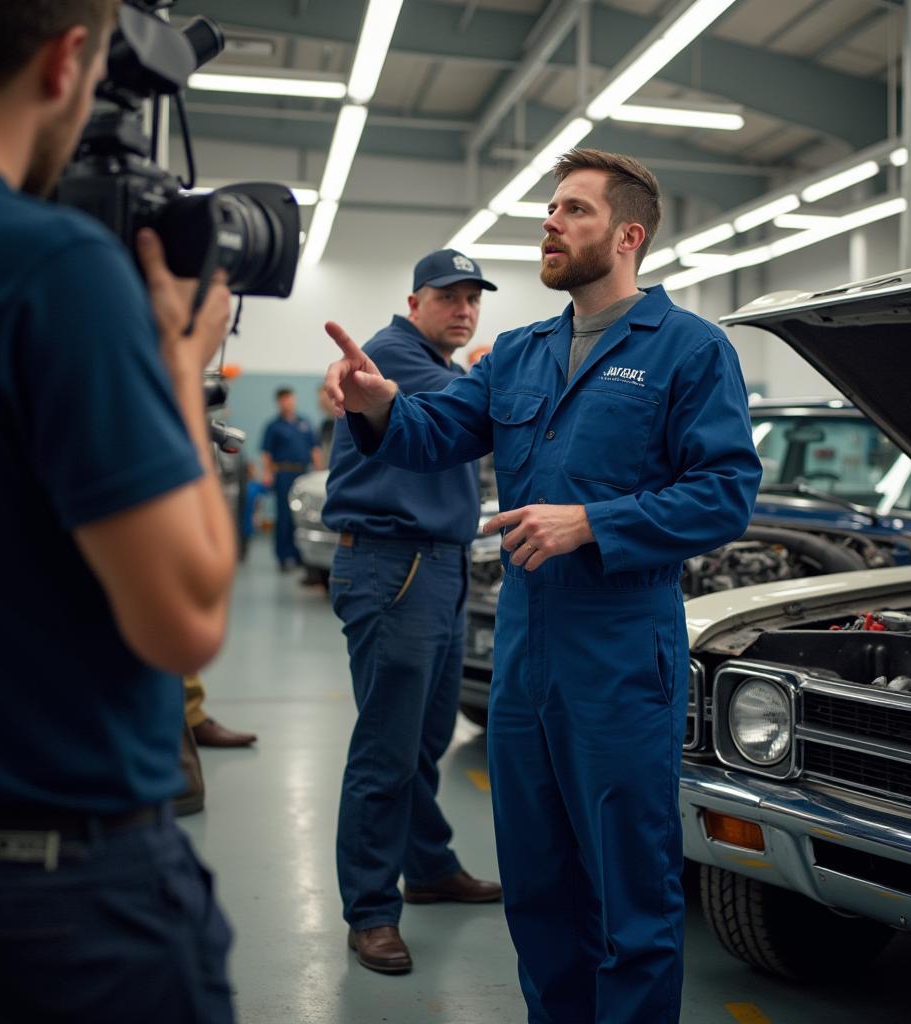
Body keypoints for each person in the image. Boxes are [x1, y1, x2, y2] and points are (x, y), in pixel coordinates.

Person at [323, 150, 763, 1022]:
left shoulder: (690, 350)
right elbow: (434, 427)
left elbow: (724, 493)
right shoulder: (518, 353)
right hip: (527, 651)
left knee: (629, 890)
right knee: (536, 885)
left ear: (629, 235)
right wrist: (376, 402)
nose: (550, 222)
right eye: (550, 208)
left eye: (573, 209)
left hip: (621, 645)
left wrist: (594, 522)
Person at [0, 5, 238, 1021]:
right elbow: (185, 616)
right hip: (47, 903)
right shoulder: (51, 269)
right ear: (68, 60)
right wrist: (177, 368)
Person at [322, 249, 504, 975]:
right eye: (448, 296)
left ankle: (428, 866)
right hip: (394, 566)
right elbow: (474, 409)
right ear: (413, 300)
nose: (463, 309)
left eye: (473, 299)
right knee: (387, 748)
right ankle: (370, 911)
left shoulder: (440, 363)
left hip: (441, 565)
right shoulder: (398, 358)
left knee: (424, 740)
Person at [261, 386, 323, 573]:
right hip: (284, 473)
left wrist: (319, 473)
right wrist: (267, 473)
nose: (288, 402)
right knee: (284, 516)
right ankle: (283, 556)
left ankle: (299, 556)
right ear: (279, 402)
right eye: (284, 400)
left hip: (303, 473)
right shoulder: (273, 426)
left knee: (303, 516)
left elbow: (315, 450)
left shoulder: (304, 423)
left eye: (290, 399)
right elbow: (266, 453)